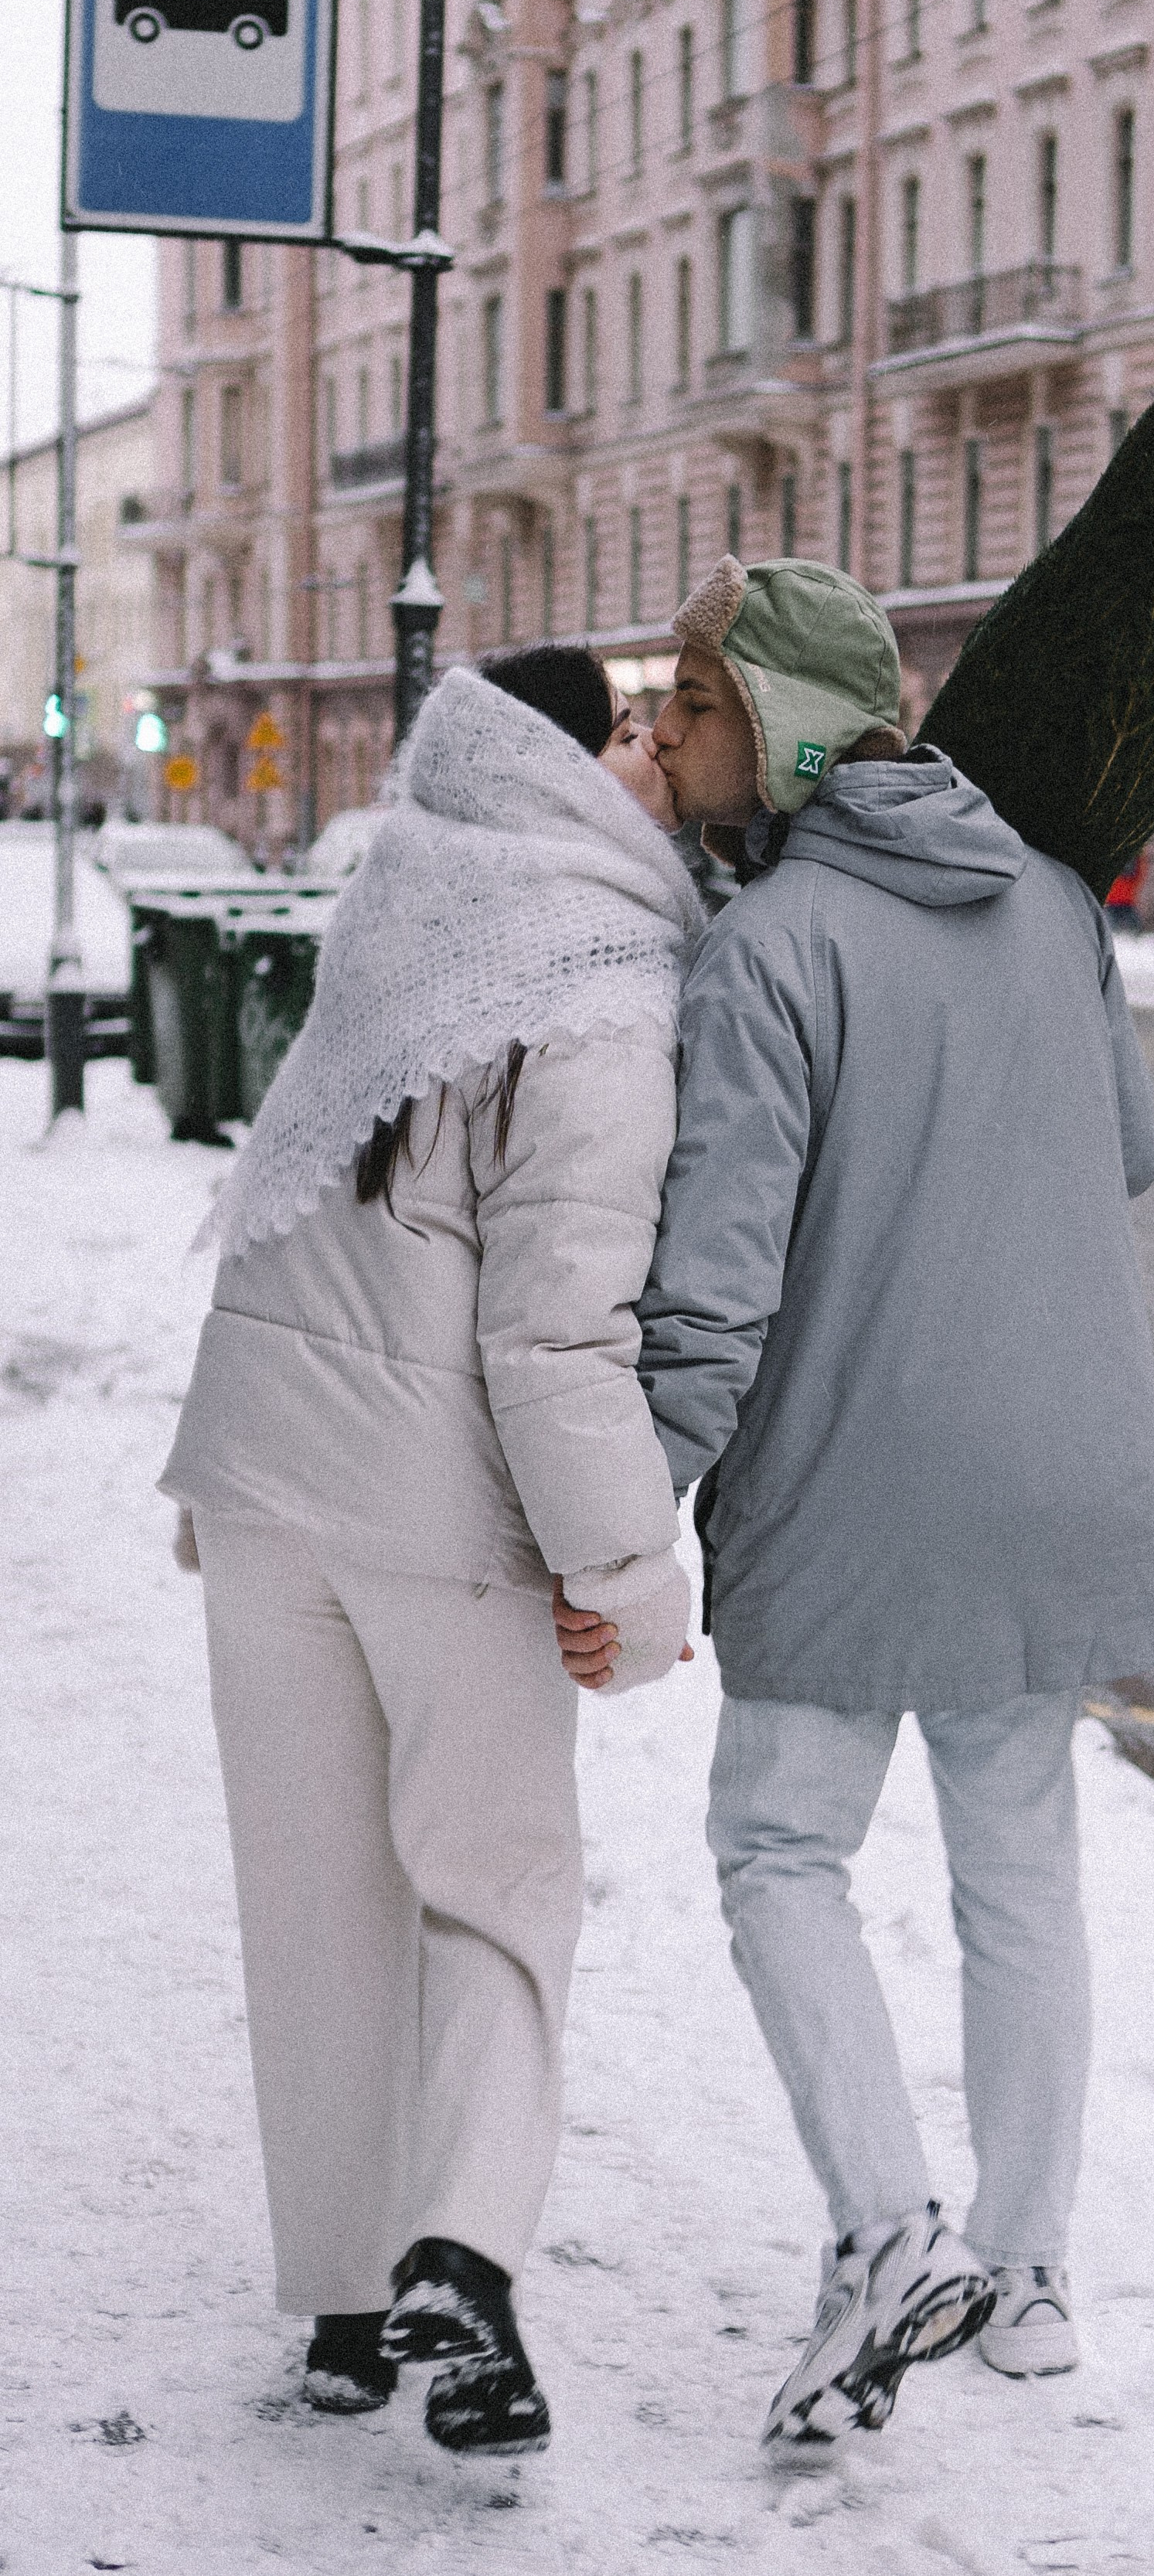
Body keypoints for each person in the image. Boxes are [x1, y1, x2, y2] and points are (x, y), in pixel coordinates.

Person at [554, 557, 1154, 2460]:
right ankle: (1031, 2273)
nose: (669, 729)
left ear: (792, 728)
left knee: (776, 1850)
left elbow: (716, 1288)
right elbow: (1126, 1157)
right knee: (1021, 1871)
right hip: (1065, 1466)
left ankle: (887, 2224)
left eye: (696, 699)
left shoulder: (771, 952)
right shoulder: (1054, 909)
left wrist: (629, 1512)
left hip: (855, 1477)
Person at [162, 645, 701, 2455]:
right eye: (626, 733)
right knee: (494, 1893)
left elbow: (283, 1200)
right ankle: (459, 2265)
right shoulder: (603, 983)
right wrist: (628, 1572)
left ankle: (337, 2307)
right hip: (437, 1515)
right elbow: (557, 1333)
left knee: (310, 1905)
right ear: (550, 770)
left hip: (261, 1491)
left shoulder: (392, 911)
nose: (653, 757)